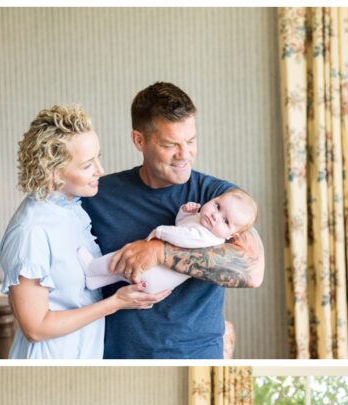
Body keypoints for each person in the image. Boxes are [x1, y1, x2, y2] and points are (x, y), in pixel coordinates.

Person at [81, 82, 265, 358]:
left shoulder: (217, 197)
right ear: (139, 140)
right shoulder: (98, 195)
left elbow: (252, 271)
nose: (185, 155)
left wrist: (161, 252)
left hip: (197, 356)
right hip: (119, 356)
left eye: (191, 141)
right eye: (170, 145)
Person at [0, 104, 168, 359]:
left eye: (98, 157)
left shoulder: (72, 210)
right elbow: (35, 328)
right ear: (54, 172)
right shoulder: (31, 231)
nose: (100, 170)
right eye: (88, 164)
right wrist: (115, 303)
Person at [78, 189, 257, 295]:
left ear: (232, 236)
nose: (215, 216)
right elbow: (182, 225)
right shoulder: (202, 222)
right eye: (217, 206)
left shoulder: (208, 236)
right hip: (156, 281)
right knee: (119, 273)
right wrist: (185, 213)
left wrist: (161, 231)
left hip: (155, 274)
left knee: (120, 258)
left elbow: (183, 236)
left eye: (225, 221)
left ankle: (91, 268)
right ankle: (95, 281)